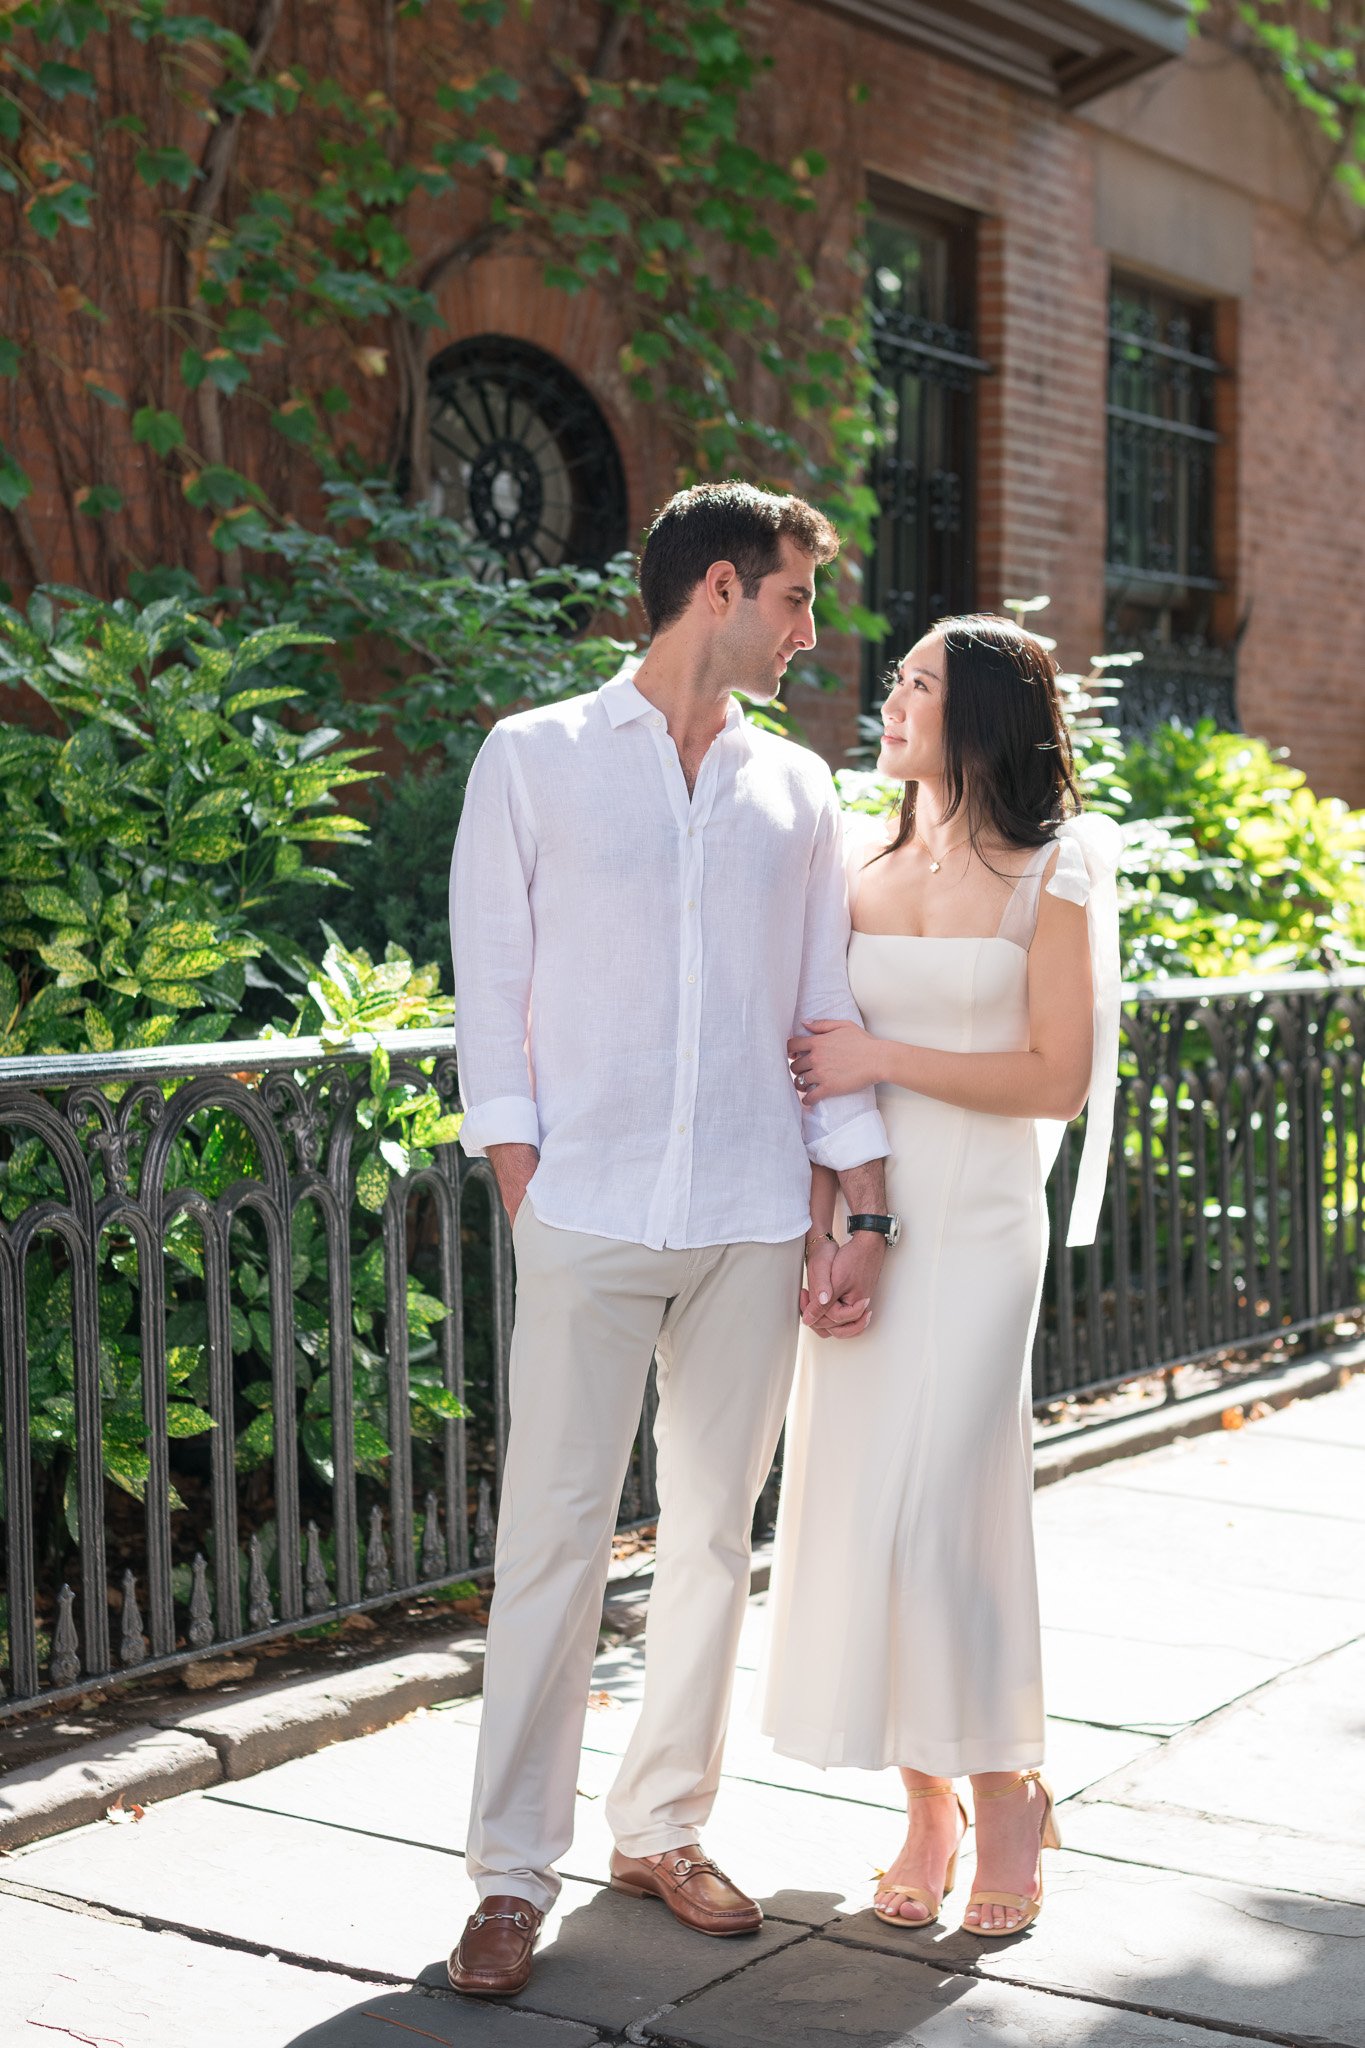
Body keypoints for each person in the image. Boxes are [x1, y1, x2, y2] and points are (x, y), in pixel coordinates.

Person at [445, 481, 893, 1997]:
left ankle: (663, 1826)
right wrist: (527, 1182)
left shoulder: (798, 788)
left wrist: (855, 1199)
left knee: (710, 1536)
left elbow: (821, 1006)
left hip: (753, 1217)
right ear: (719, 587)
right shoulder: (535, 759)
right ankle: (509, 1874)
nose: (807, 632)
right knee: (551, 1544)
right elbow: (487, 989)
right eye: (793, 600)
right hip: (586, 1207)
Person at [762, 614, 1121, 1938]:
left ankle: (1006, 1788)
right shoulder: (847, 863)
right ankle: (925, 1806)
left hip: (976, 1227)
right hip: (866, 1221)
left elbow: (1054, 1077)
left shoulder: (1054, 869)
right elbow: (802, 1067)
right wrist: (823, 1225)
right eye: (896, 678)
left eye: (919, 681)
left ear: (978, 713)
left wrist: (883, 1060)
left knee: (942, 1511)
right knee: (861, 1508)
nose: (891, 697)